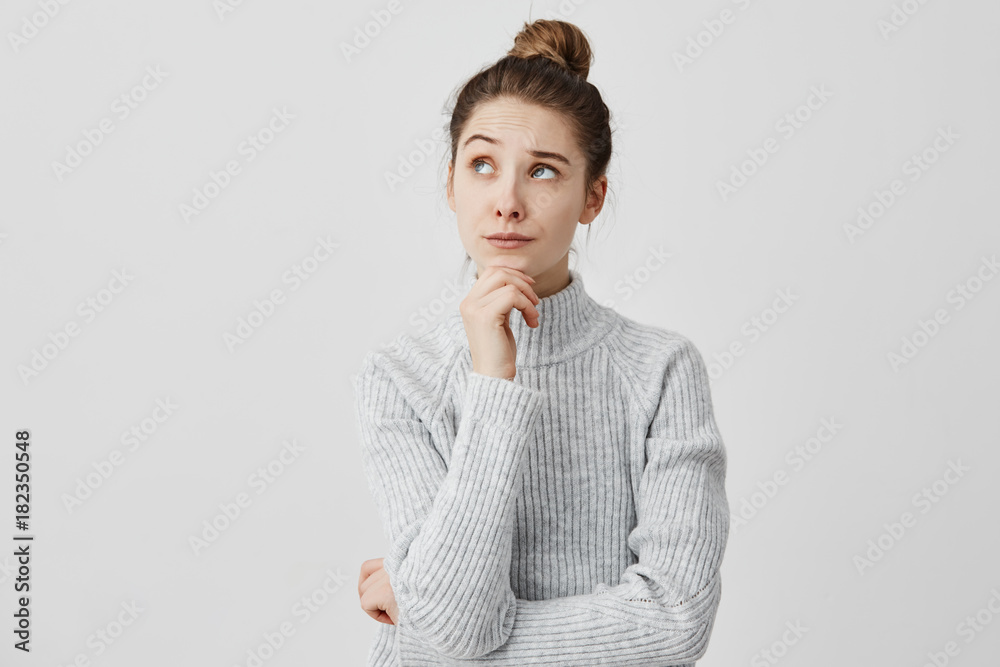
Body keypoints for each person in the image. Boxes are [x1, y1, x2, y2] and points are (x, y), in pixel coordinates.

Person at [354, 18, 730, 666]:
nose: (507, 200)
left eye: (544, 171)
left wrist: (423, 618)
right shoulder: (397, 378)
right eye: (482, 165)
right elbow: (457, 623)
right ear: (450, 185)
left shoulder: (662, 372)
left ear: (593, 195)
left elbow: (673, 624)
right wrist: (493, 381)